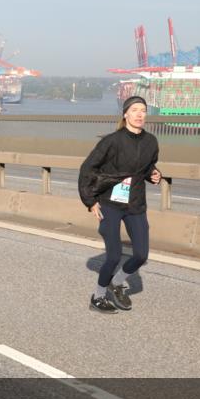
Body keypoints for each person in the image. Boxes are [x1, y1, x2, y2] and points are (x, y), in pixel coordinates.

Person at [78, 95, 161, 314]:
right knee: (114, 256)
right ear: (125, 114)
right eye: (134, 110)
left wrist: (153, 174)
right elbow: (88, 169)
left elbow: (146, 167)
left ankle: (117, 282)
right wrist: (90, 200)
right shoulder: (112, 141)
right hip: (110, 203)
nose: (139, 114)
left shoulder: (151, 141)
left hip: (135, 204)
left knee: (141, 255)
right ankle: (97, 297)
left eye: (143, 110)